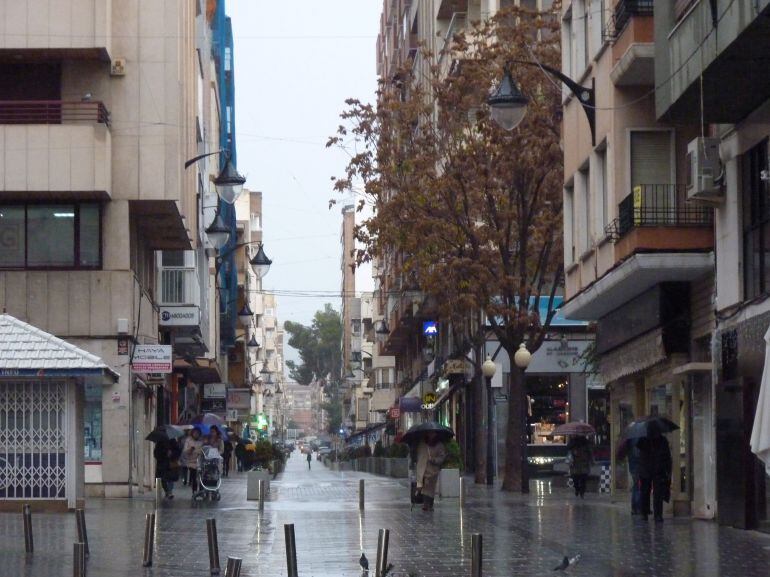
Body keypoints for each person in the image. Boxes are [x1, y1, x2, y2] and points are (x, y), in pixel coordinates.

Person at [637, 424, 672, 523]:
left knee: (648, 492)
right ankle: (656, 515)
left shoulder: (644, 439)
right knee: (656, 493)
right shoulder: (661, 440)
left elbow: (640, 454)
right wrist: (668, 469)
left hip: (650, 470)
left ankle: (646, 514)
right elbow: (667, 457)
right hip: (655, 469)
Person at [415, 431, 447, 512]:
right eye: (429, 433)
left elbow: (442, 457)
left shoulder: (439, 445)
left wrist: (434, 460)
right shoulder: (422, 444)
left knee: (430, 488)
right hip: (423, 469)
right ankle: (426, 504)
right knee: (425, 487)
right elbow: (419, 455)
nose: (430, 435)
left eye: (432, 433)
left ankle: (429, 504)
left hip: (433, 470)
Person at [617, 437, 642, 514]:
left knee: (636, 485)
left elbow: (621, 451)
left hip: (632, 464)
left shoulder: (630, 438)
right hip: (640, 464)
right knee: (639, 486)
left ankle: (634, 508)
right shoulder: (641, 438)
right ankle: (638, 507)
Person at [182, 427, 204, 494]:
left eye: (197, 433)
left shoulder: (201, 441)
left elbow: (204, 450)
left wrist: (200, 452)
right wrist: (190, 450)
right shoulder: (188, 440)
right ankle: (194, 491)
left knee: (201, 477)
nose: (196, 434)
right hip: (191, 462)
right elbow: (185, 451)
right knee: (194, 477)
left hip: (200, 461)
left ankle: (201, 490)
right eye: (195, 433)